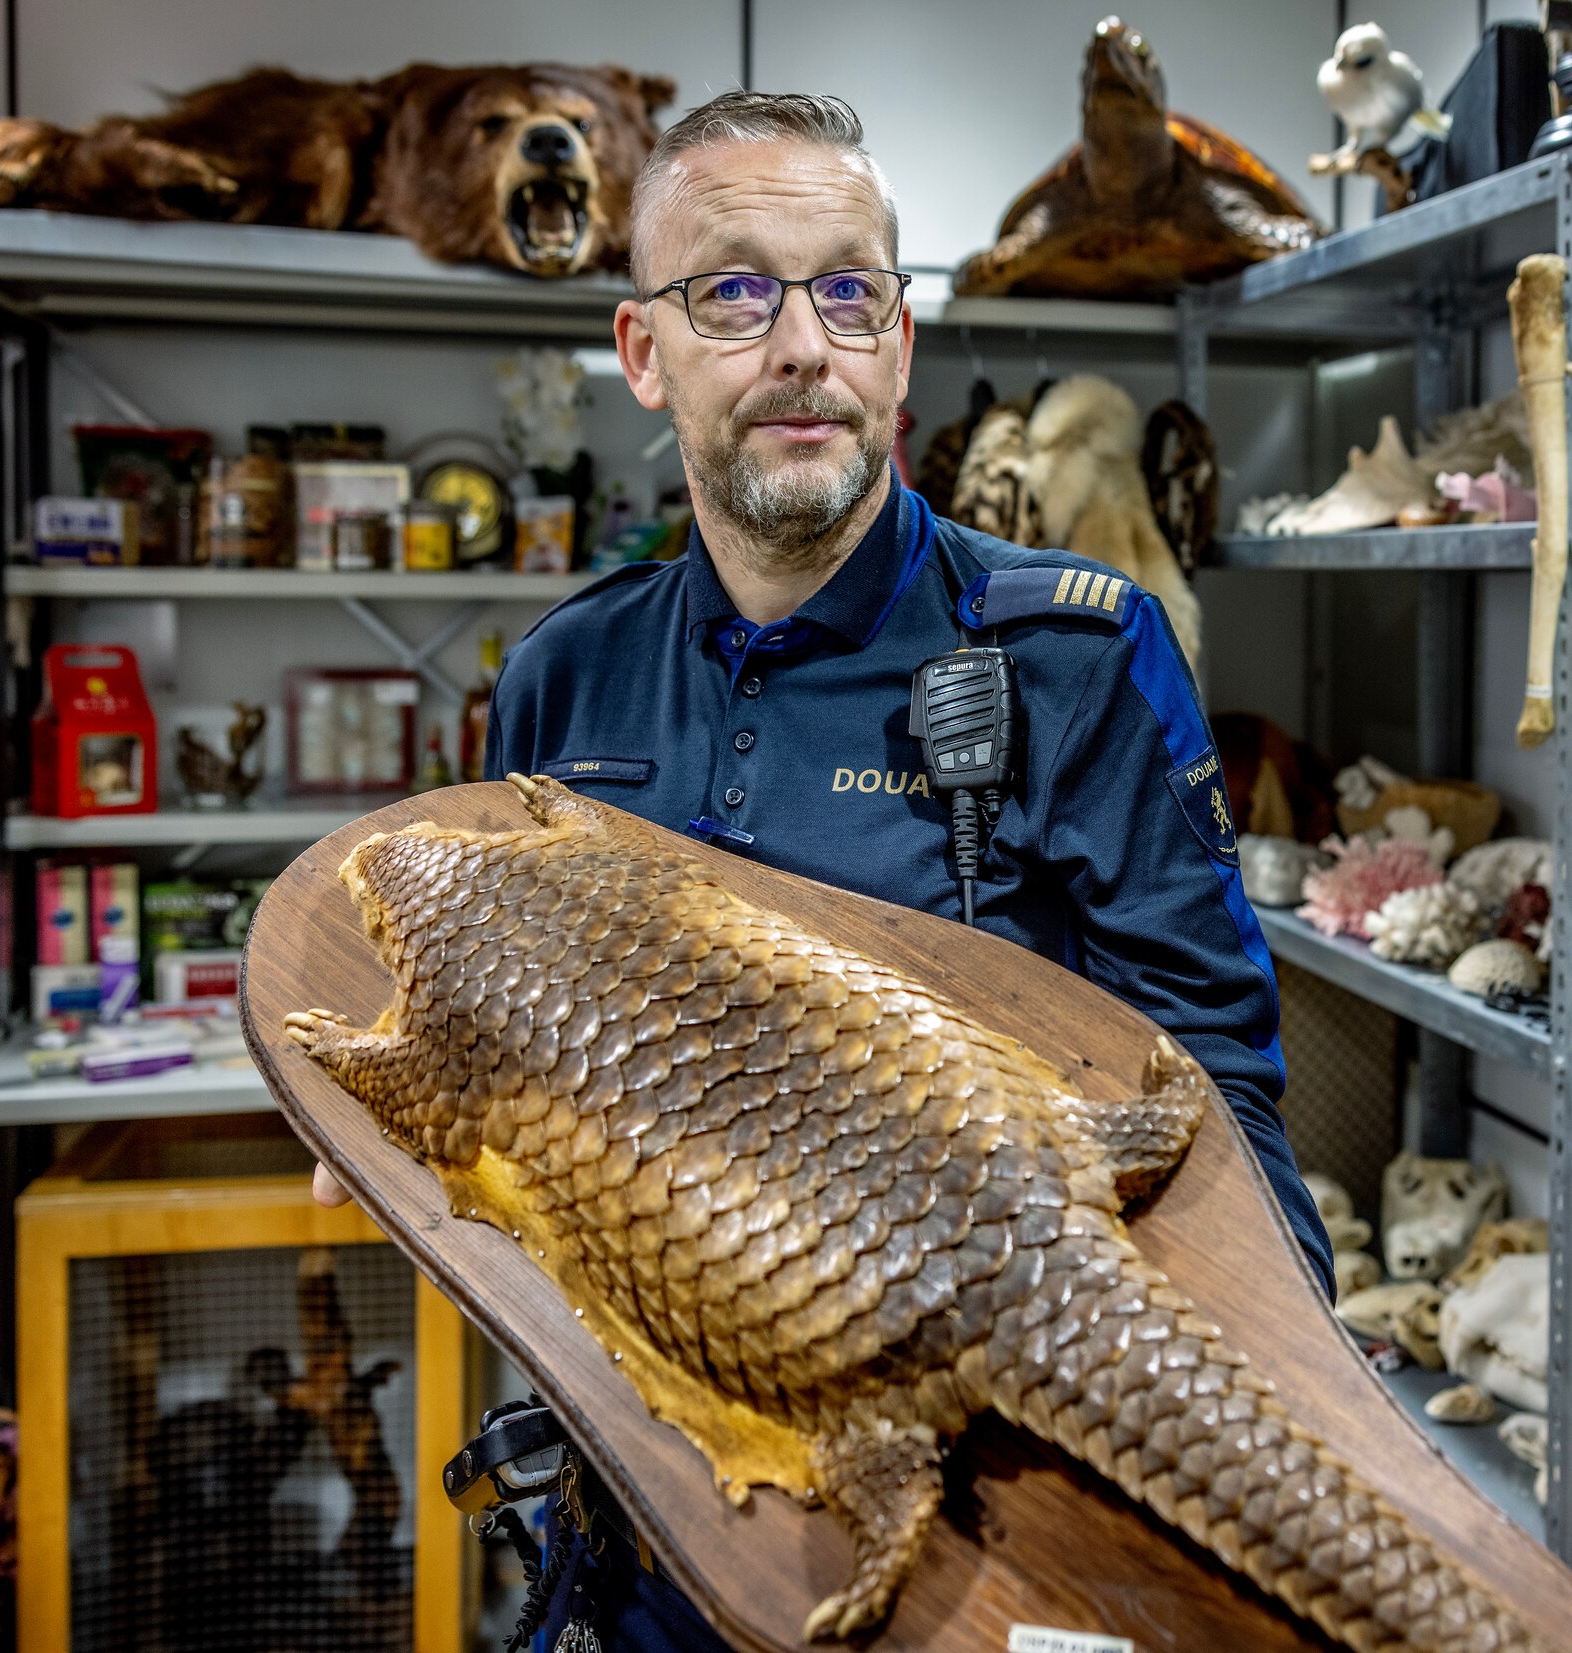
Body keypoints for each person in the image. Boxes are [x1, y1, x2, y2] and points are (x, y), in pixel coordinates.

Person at [313, 89, 1328, 1652]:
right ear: (644, 350)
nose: (804, 345)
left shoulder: (1076, 657)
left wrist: (1234, 1481)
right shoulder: (565, 676)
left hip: (971, 1536)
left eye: (849, 291)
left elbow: (1220, 1116)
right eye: (734, 291)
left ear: (899, 346)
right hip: (651, 1508)